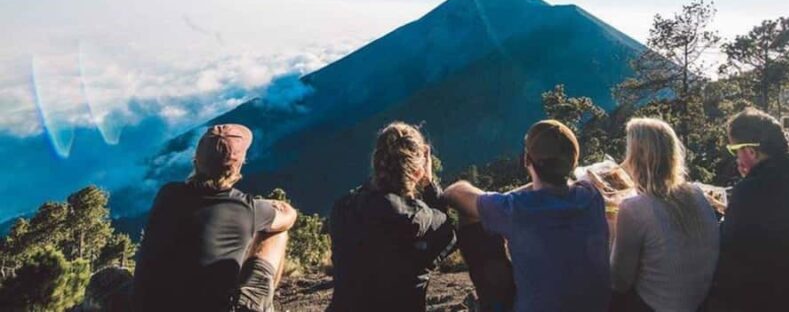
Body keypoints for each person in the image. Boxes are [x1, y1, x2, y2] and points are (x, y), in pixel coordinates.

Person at [444, 119, 611, 312]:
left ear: (526, 159)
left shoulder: (517, 208)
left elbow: (454, 193)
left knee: (471, 217)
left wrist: (502, 198)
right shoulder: (591, 196)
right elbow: (563, 187)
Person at [132, 124, 297, 312]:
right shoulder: (246, 209)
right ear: (240, 164)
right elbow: (289, 216)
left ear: (195, 160)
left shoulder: (167, 194)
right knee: (276, 233)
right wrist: (263, 205)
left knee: (107, 279)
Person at [328, 122, 456, 312]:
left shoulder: (343, 209)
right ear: (419, 171)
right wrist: (429, 186)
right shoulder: (420, 219)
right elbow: (448, 234)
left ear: (376, 162)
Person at [610, 118, 719, 312]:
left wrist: (610, 229)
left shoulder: (634, 209)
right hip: (700, 303)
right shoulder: (696, 194)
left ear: (636, 157)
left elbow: (619, 282)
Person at [713, 107, 789, 311]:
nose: (736, 159)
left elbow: (730, 245)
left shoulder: (750, 191)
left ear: (751, 151)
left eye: (735, 150)